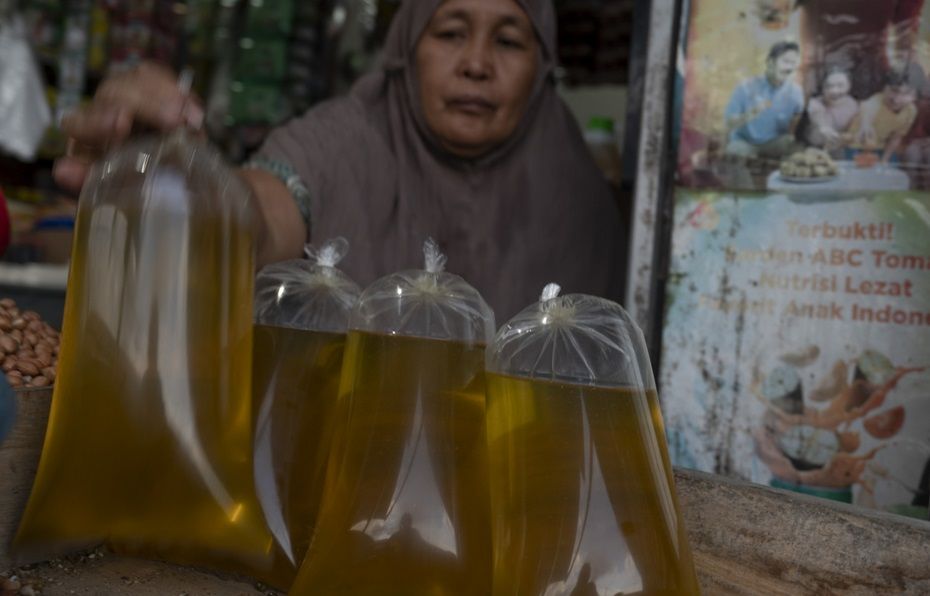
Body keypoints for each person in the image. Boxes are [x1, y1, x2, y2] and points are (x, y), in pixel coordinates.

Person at [52, 0, 624, 321]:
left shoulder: (577, 192)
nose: (476, 63)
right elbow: (264, 211)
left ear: (542, 68)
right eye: (450, 32)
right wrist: (184, 182)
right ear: (405, 51)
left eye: (509, 41)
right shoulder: (341, 139)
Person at [724, 41, 804, 159]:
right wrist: (751, 113)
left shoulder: (796, 92)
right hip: (745, 143)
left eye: (793, 64)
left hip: (775, 143)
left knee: (797, 146)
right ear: (770, 62)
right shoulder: (745, 87)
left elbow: (799, 122)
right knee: (733, 150)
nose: (789, 68)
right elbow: (729, 123)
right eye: (786, 61)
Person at [848, 70, 918, 164]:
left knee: (892, 171)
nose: (897, 98)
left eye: (906, 94)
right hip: (856, 146)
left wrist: (885, 159)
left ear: (914, 97)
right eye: (894, 90)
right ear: (884, 88)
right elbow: (867, 107)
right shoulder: (875, 101)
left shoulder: (911, 111)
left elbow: (896, 137)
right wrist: (865, 124)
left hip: (882, 148)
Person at [804, 69, 858, 155]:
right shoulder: (814, 104)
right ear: (822, 88)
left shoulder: (853, 105)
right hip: (814, 152)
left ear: (849, 86)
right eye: (828, 86)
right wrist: (823, 128)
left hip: (842, 152)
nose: (834, 91)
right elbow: (816, 115)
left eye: (840, 86)